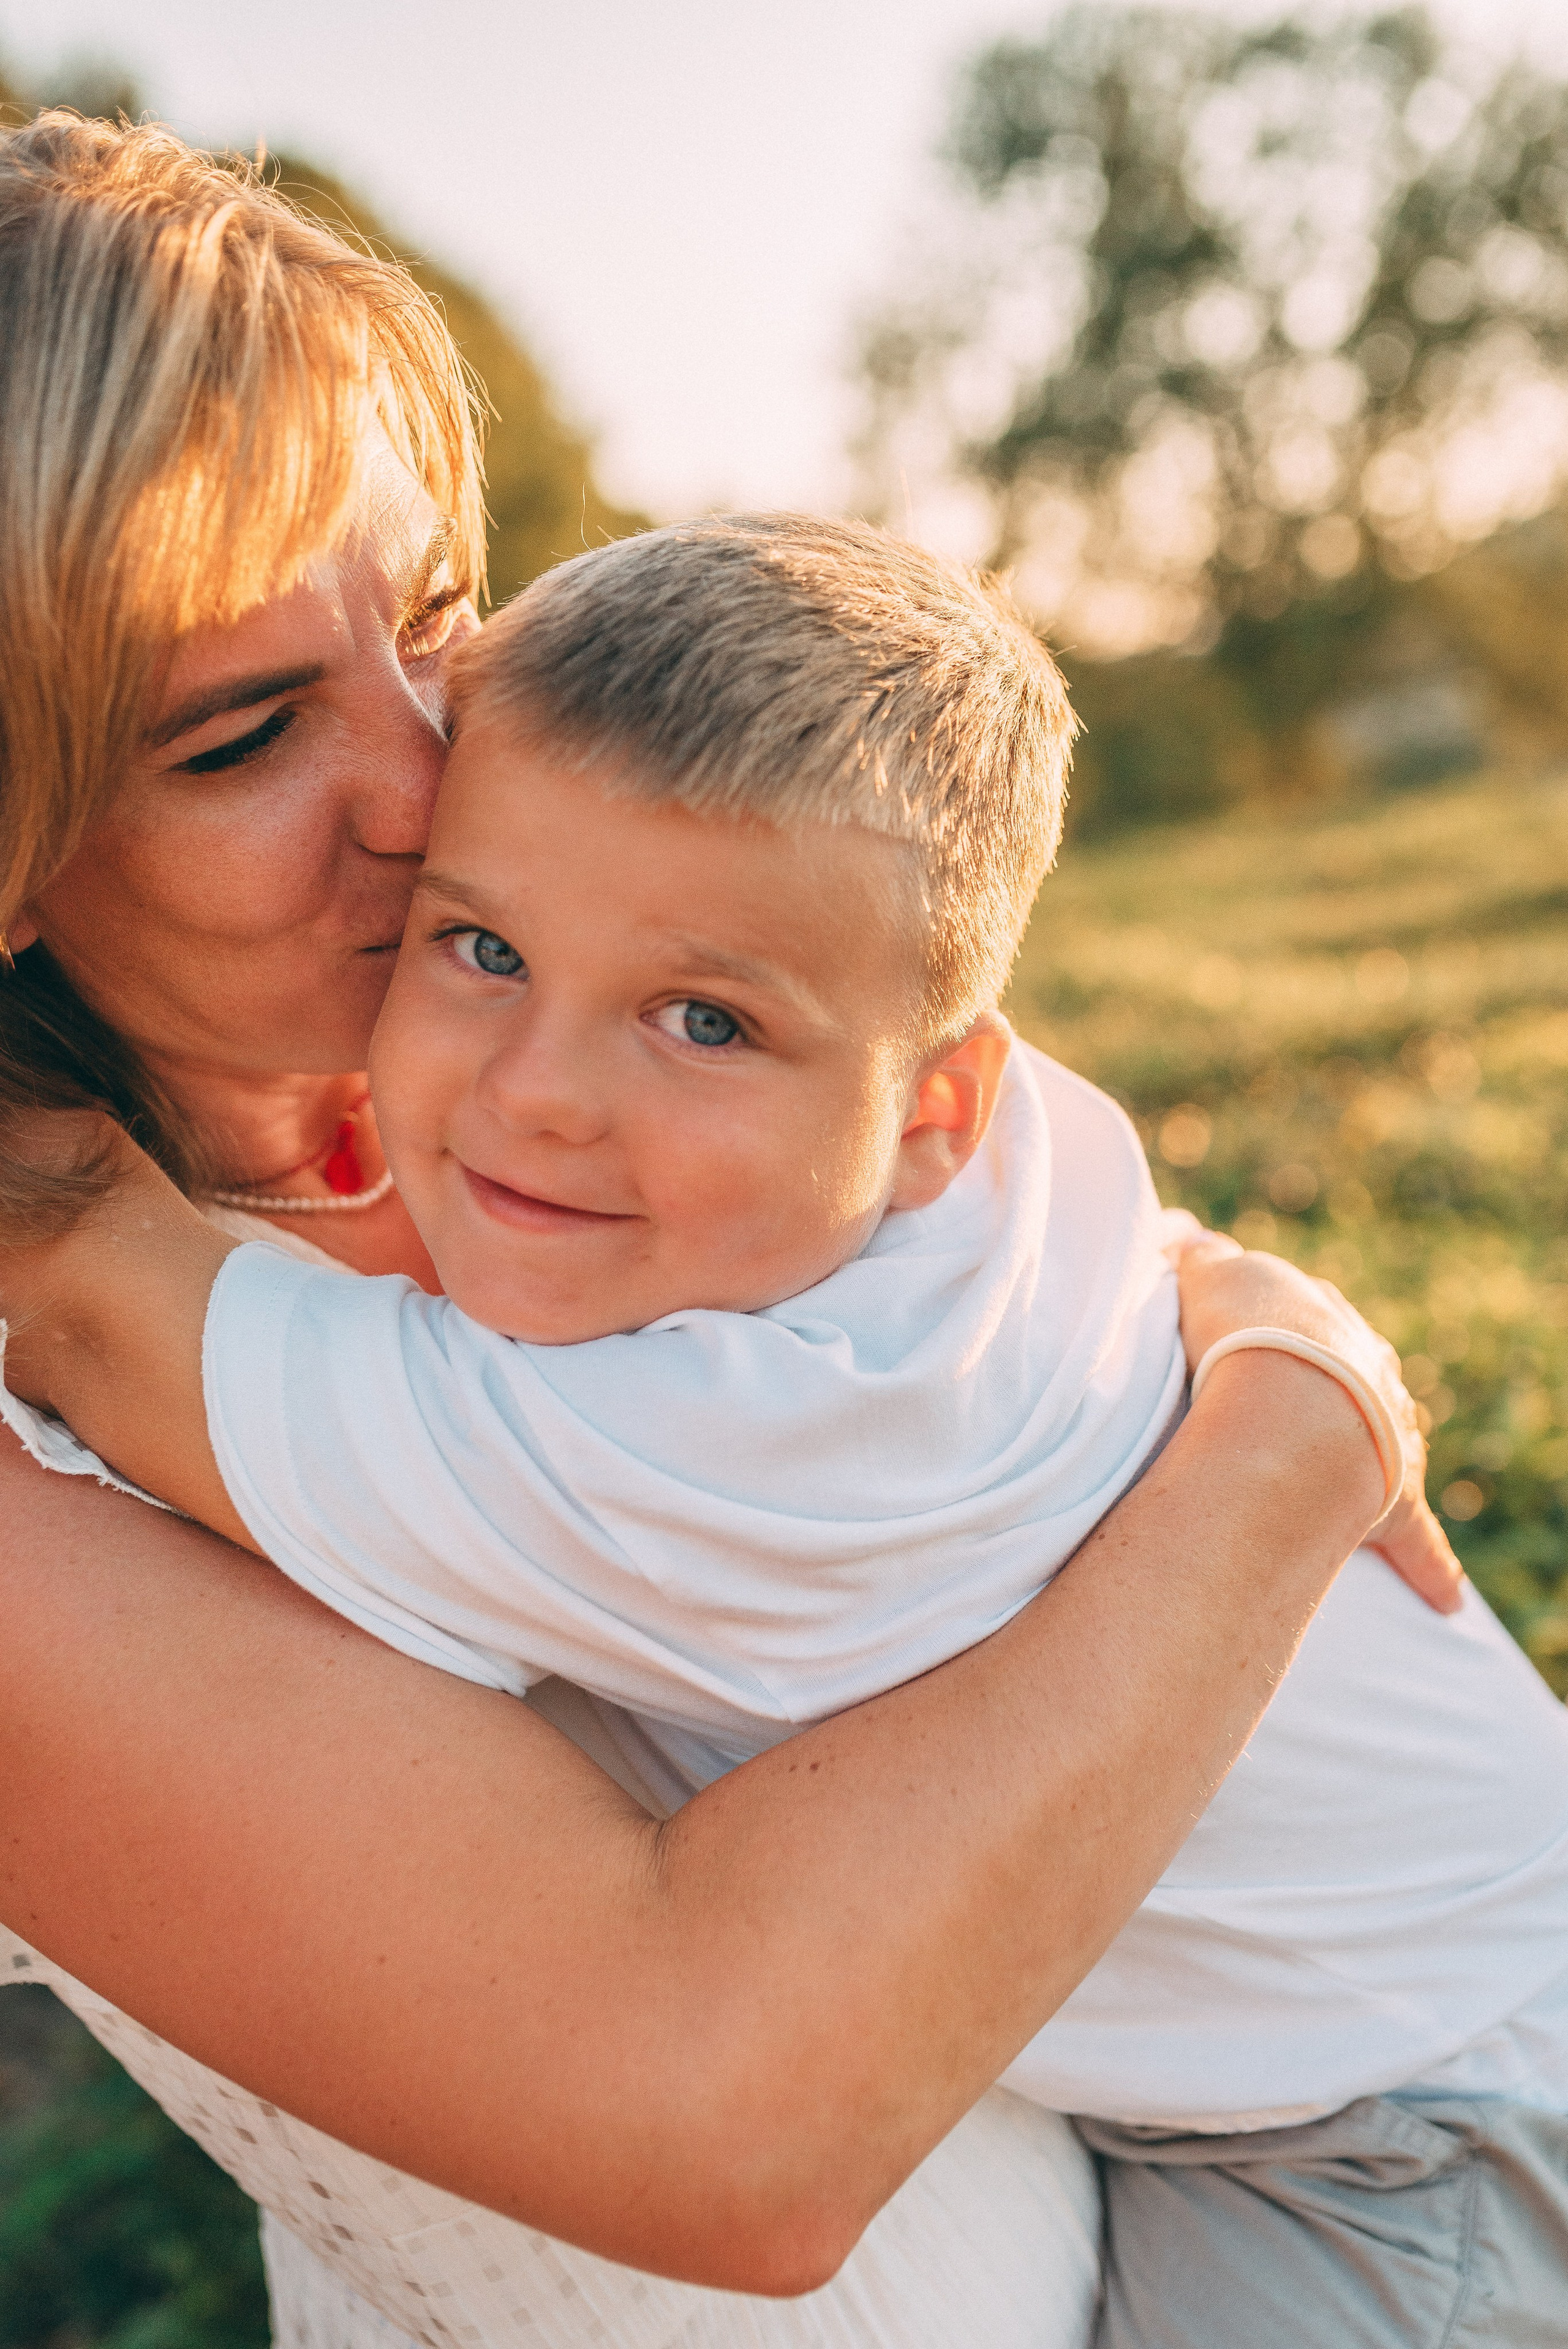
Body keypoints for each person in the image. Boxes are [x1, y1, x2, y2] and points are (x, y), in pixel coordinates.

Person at [0, 110, 1453, 2349]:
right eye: (244, 735)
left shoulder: (526, 1097)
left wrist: (1248, 1355)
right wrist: (1283, 1454)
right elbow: (730, 2132)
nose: (429, 776)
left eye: (436, 617)